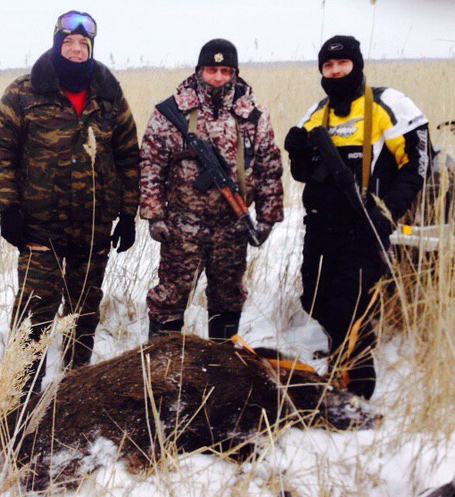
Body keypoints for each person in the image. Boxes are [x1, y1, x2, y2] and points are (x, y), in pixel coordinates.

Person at [0, 11, 140, 397]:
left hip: (93, 226)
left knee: (83, 315)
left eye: (83, 44)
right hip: (40, 227)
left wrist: (128, 213)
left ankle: (74, 393)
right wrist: (8, 209)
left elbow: (129, 155)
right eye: (68, 43)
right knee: (33, 316)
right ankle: (21, 399)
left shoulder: (108, 94)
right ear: (57, 44)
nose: (75, 50)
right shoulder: (24, 92)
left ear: (91, 48)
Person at [284, 35, 430, 399]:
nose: (335, 72)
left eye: (342, 64)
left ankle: (358, 390)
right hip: (320, 227)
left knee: (348, 306)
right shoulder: (316, 113)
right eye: (328, 66)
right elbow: (303, 174)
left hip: (364, 229)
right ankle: (339, 375)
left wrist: (386, 213)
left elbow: (417, 165)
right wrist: (296, 153)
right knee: (315, 301)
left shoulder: (389, 104)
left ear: (357, 65)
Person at [139, 39, 284, 342]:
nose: (217, 77)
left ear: (234, 72)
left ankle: (220, 366)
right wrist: (155, 216)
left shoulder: (253, 115)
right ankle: (161, 366)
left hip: (233, 225)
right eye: (211, 70)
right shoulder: (173, 111)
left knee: (228, 296)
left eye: (224, 70)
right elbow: (151, 164)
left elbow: (269, 167)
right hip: (182, 226)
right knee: (169, 298)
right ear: (199, 70)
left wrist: (268, 217)